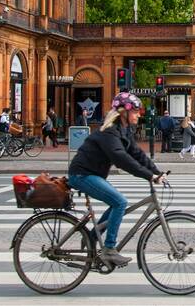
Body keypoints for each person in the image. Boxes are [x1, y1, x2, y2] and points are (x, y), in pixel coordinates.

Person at [68, 92, 164, 267]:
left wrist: (157, 172)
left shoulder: (123, 130)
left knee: (117, 203)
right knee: (120, 202)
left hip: (92, 173)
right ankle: (109, 249)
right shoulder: (110, 131)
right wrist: (148, 176)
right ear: (124, 112)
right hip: (81, 174)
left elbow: (136, 153)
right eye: (135, 111)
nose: (139, 114)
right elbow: (121, 158)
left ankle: (91, 236)